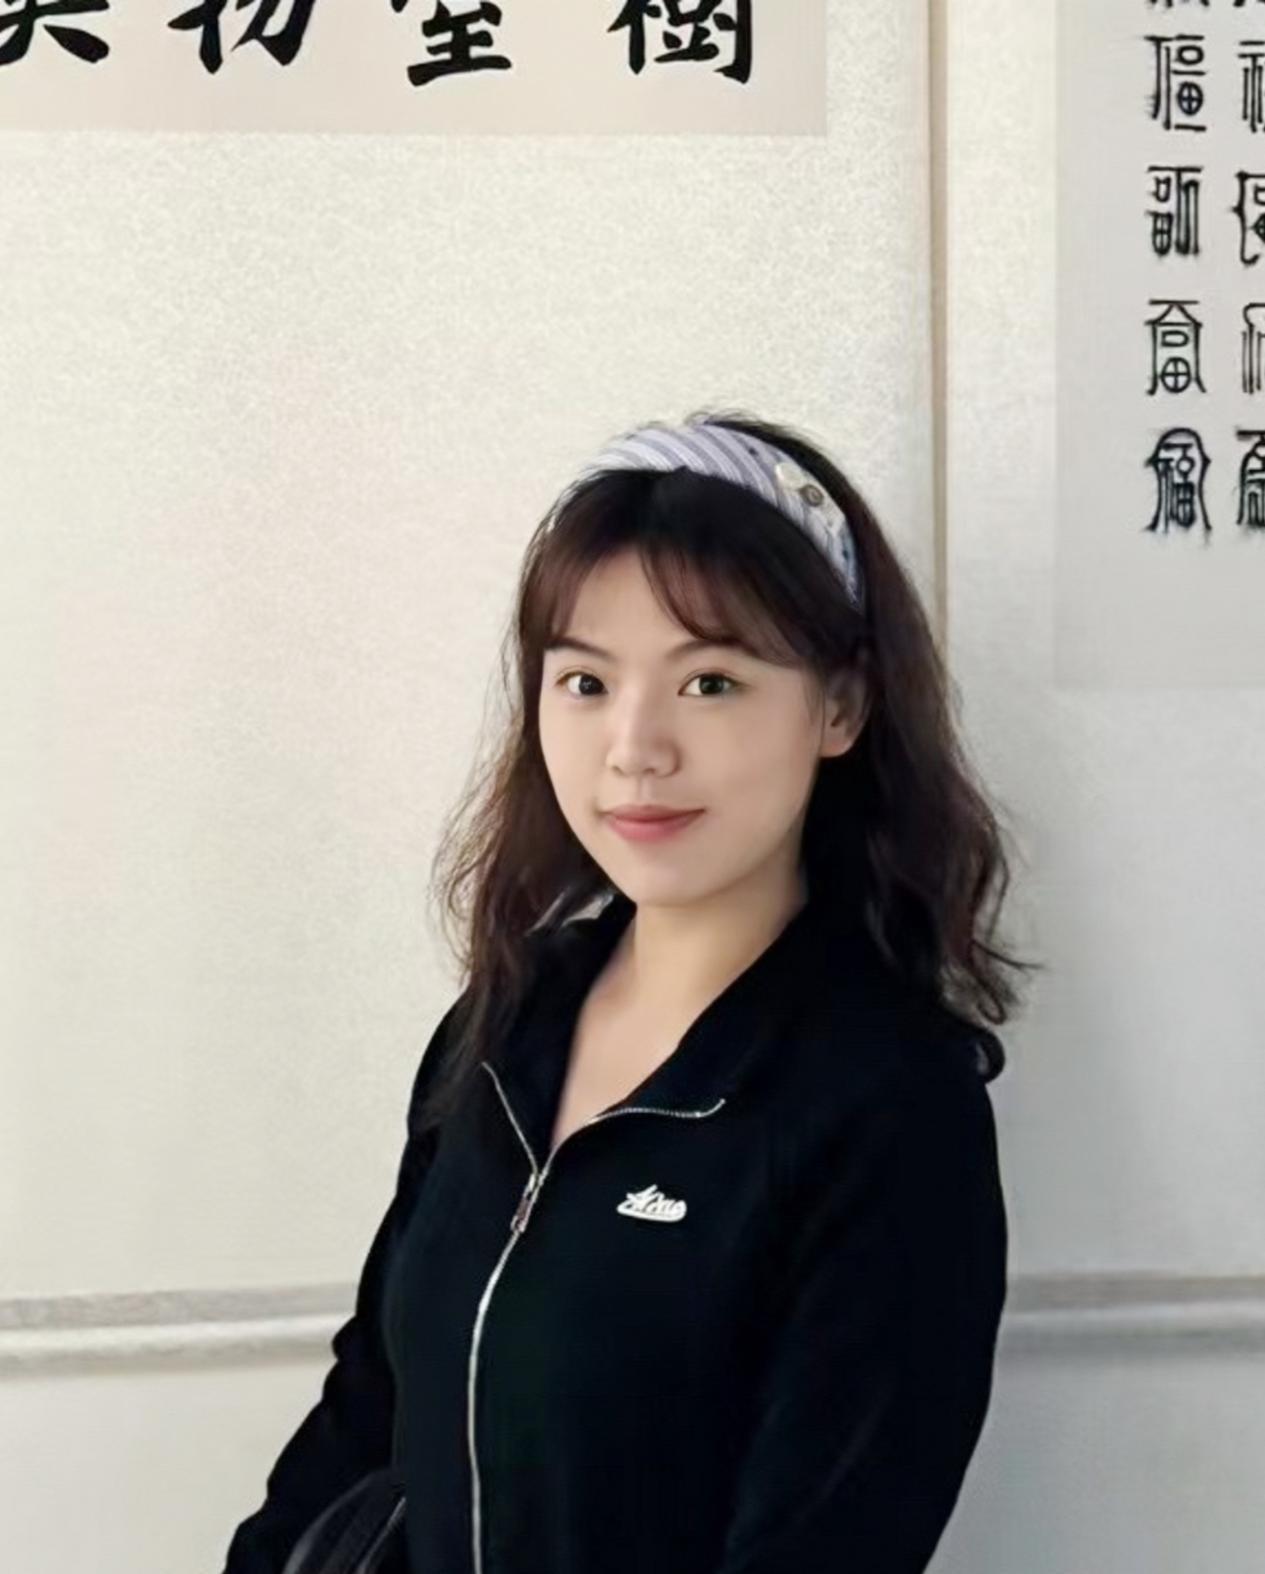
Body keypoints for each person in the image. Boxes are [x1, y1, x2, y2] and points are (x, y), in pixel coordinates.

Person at [221, 408, 1038, 1574]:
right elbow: (370, 1408)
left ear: (839, 706)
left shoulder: (884, 1102)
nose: (634, 746)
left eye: (709, 681)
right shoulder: (506, 1021)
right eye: (584, 680)